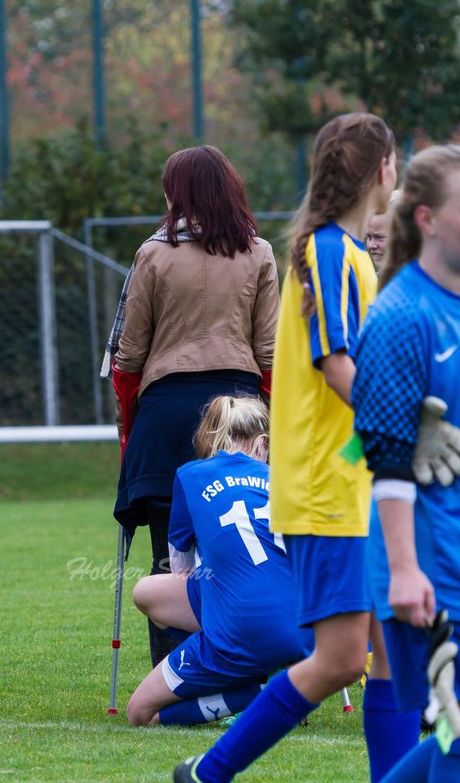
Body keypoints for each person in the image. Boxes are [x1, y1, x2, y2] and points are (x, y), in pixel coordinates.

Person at [174, 113, 397, 783]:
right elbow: (338, 365)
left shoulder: (353, 255)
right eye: (394, 163)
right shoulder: (328, 250)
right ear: (380, 171)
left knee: (386, 653)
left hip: (356, 481)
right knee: (340, 660)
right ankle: (209, 773)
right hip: (329, 489)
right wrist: (410, 424)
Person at [108, 145, 278, 669]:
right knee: (249, 545)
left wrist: (127, 428)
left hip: (166, 412)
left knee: (170, 551)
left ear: (177, 194)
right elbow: (270, 351)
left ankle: (174, 675)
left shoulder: (152, 254)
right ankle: (247, 666)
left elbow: (128, 354)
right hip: (240, 414)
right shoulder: (259, 252)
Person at [352, 143, 460, 781]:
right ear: (427, 220)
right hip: (429, 573)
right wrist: (402, 572)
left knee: (449, 741)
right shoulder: (400, 315)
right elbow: (385, 458)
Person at [126, 395, 310, 727]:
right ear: (263, 442)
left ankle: (249, 693)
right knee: (148, 592)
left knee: (141, 714)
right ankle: (267, 676)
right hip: (306, 630)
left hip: (241, 631)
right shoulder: (289, 479)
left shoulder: (190, 474)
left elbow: (179, 567)